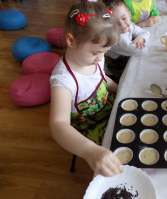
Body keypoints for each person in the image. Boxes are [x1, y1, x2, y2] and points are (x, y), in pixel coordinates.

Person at [49, 0, 123, 177]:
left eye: (104, 52)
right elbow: (58, 125)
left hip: (108, 107)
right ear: (71, 40)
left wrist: (120, 89)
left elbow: (102, 79)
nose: (101, 59)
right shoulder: (63, 81)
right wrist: (90, 151)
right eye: (96, 52)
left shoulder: (94, 58)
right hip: (90, 127)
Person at [103, 0, 150, 83]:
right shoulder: (119, 39)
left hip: (125, 54)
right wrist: (140, 38)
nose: (121, 24)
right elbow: (142, 50)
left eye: (124, 18)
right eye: (114, 23)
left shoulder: (129, 25)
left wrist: (140, 38)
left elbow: (146, 32)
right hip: (115, 69)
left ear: (129, 15)